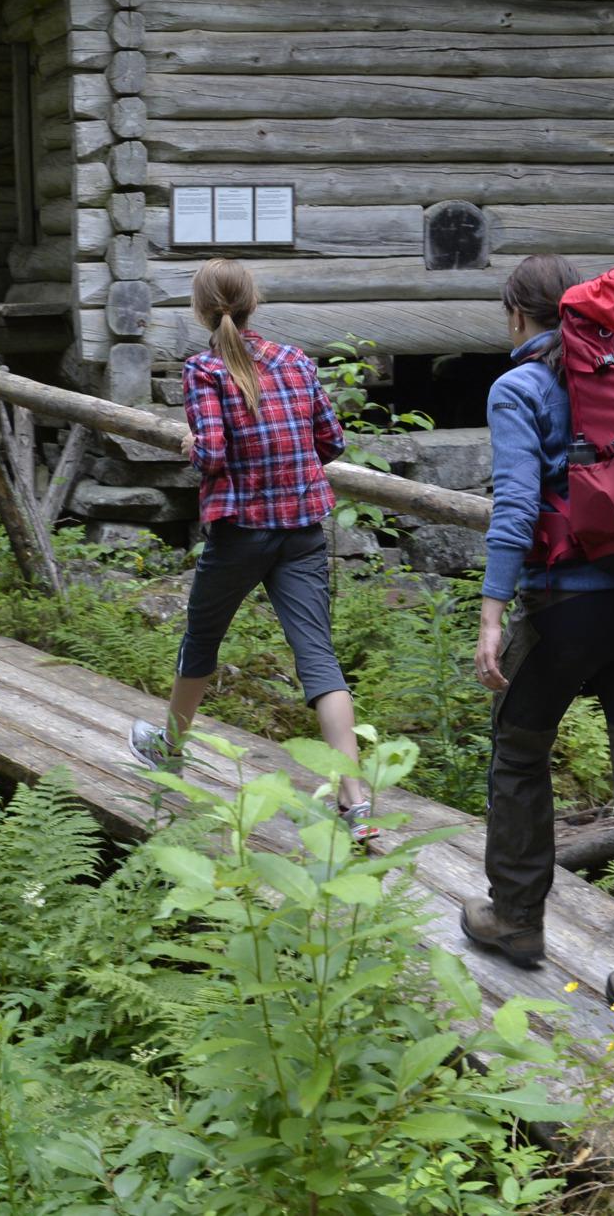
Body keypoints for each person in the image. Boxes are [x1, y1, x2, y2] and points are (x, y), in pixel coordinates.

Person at [458, 253, 614, 1037]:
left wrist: (492, 610)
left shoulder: (520, 387)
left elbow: (516, 505)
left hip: (566, 610)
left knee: (520, 751)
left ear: (515, 313)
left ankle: (516, 919)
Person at [127, 259, 378, 848]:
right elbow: (332, 441)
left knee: (201, 638)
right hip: (302, 527)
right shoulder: (295, 360)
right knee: (318, 658)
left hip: (241, 530)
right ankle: (356, 800)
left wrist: (191, 442)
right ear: (253, 303)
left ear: (200, 310)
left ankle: (170, 749)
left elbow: (212, 456)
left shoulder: (205, 369)